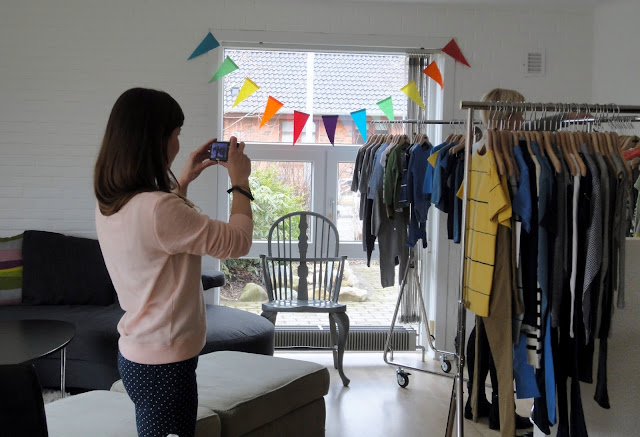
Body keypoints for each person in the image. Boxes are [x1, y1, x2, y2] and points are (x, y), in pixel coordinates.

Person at [94, 87, 253, 437]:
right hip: (165, 364)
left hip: (138, 353)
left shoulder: (113, 201)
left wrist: (182, 180)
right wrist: (240, 183)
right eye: (176, 134)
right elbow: (238, 242)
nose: (179, 144)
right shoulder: (159, 208)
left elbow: (159, 232)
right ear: (156, 140)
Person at [465, 87, 532, 433]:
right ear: (506, 115)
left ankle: (475, 400)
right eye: (519, 113)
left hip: (479, 255)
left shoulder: (478, 151)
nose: (523, 119)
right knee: (502, 335)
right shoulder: (503, 158)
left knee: (483, 329)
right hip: (500, 256)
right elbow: (524, 211)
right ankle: (498, 412)